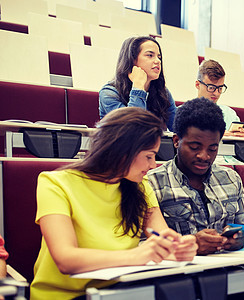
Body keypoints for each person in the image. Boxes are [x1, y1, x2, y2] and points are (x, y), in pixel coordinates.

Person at [30, 107, 197, 300]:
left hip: (120, 293)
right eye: (149, 156)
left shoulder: (141, 187)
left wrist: (179, 249)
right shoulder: (55, 183)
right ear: (122, 151)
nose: (153, 165)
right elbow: (66, 259)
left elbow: (163, 241)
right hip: (63, 296)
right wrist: (138, 255)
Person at [148, 98, 244, 255]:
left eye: (212, 149)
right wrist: (192, 244)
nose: (204, 156)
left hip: (235, 268)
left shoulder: (231, 178)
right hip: (182, 273)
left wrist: (239, 239)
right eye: (195, 147)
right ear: (176, 141)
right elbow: (144, 245)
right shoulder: (153, 182)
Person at [99, 36, 177, 132]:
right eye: (150, 55)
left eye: (159, 57)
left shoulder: (163, 92)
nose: (158, 61)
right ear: (132, 60)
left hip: (153, 146)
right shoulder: (109, 93)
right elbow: (133, 129)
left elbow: (178, 128)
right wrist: (138, 87)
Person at [195, 59, 244, 137]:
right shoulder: (184, 112)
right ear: (198, 85)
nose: (216, 93)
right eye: (211, 87)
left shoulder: (229, 114)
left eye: (220, 88)